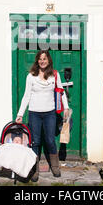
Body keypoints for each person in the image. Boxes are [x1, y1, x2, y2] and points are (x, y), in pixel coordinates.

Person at [15, 50, 70, 182]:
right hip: (34, 113)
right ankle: (34, 169)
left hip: (50, 113)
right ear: (37, 61)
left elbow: (61, 92)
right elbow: (26, 96)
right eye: (40, 59)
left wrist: (66, 107)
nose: (42, 61)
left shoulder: (54, 75)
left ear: (48, 60)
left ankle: (55, 166)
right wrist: (20, 114)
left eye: (44, 59)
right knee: (35, 142)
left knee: (50, 140)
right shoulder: (31, 76)